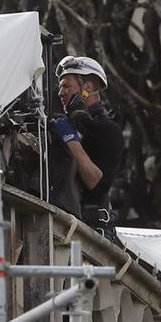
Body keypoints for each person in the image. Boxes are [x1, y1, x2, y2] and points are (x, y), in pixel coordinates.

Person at [53, 55, 123, 236]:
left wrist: (71, 140)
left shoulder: (108, 130)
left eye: (66, 86)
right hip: (64, 223)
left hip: (92, 230)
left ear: (87, 89)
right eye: (60, 87)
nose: (61, 92)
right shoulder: (65, 125)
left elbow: (95, 182)